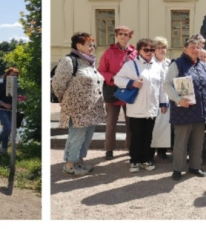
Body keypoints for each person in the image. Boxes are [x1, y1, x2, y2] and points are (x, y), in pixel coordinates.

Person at [52, 33, 105, 176]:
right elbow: (58, 84)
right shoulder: (69, 61)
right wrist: (67, 100)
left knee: (86, 137)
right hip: (77, 109)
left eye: (93, 44)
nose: (92, 47)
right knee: (76, 136)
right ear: (78, 45)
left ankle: (79, 161)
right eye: (88, 44)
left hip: (92, 109)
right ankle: (69, 166)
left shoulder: (89, 62)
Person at [114, 38, 168, 172]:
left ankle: (147, 159)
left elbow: (162, 87)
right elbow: (117, 79)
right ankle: (134, 160)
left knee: (149, 135)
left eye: (151, 49)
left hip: (152, 107)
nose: (149, 52)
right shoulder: (130, 65)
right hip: (136, 107)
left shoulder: (157, 67)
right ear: (139, 50)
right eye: (146, 49)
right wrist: (131, 83)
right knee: (137, 135)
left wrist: (163, 103)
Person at [164, 37, 206, 181]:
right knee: (181, 141)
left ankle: (194, 166)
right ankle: (178, 169)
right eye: (192, 46)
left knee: (198, 141)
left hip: (200, 110)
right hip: (183, 110)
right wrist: (178, 99)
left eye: (197, 47)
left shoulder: (204, 66)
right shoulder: (177, 64)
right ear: (185, 49)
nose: (195, 49)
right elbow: (166, 85)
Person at [97, 26, 137, 159]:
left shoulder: (134, 53)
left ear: (130, 36)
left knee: (130, 122)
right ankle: (109, 149)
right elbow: (101, 70)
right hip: (113, 90)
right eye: (120, 34)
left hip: (128, 91)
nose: (123, 36)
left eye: (126, 34)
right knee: (111, 123)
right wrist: (113, 77)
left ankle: (131, 147)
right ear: (116, 35)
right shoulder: (108, 52)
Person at [150, 37, 172, 159]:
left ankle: (162, 151)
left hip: (167, 98)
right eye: (158, 47)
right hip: (154, 99)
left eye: (163, 47)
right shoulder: (150, 63)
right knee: (154, 127)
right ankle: (151, 153)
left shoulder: (169, 63)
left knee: (164, 126)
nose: (161, 50)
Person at [0, 67, 20, 153]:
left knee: (8, 129)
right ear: (7, 75)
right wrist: (4, 104)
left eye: (15, 76)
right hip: (1, 109)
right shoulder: (0, 85)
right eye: (12, 75)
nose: (13, 78)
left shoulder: (16, 86)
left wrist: (19, 99)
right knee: (8, 127)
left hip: (12, 110)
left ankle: (4, 149)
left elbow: (14, 98)